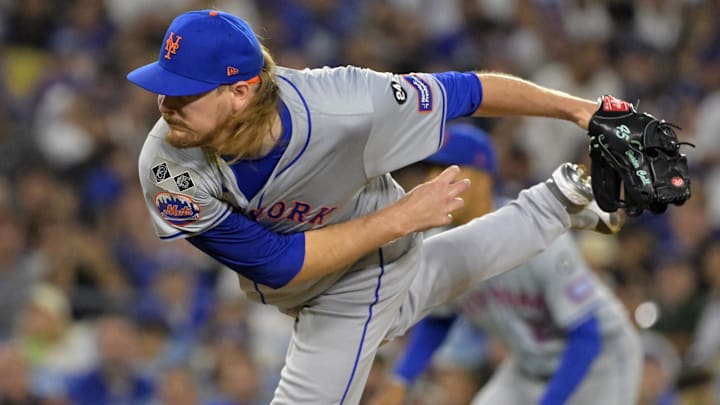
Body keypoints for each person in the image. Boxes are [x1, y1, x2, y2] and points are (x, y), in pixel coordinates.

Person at [126, 9, 623, 404]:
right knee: (424, 285)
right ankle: (561, 200)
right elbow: (276, 265)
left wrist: (579, 110)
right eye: (162, 86)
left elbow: (466, 91)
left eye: (182, 92)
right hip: (334, 261)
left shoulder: (345, 105)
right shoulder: (168, 167)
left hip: (358, 276)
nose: (164, 104)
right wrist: (398, 219)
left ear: (240, 92)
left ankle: (556, 204)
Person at [371, 124, 642, 405]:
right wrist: (401, 381)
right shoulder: (441, 243)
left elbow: (587, 335)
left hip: (600, 362)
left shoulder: (535, 234)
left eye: (448, 172)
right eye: (430, 172)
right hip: (528, 365)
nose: (434, 182)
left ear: (484, 179)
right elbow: (440, 319)